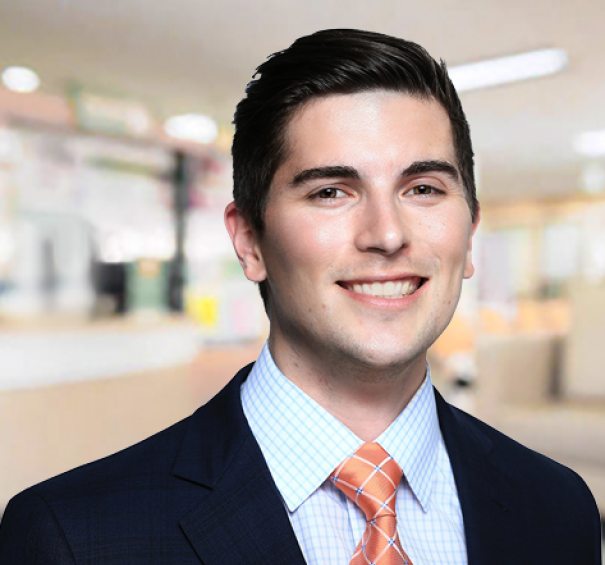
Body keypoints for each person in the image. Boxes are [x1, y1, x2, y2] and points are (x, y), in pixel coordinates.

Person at [0, 29, 601, 565]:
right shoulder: (71, 537)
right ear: (250, 241)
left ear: (469, 235)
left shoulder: (559, 507)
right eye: (330, 192)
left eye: (422, 188)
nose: (387, 234)